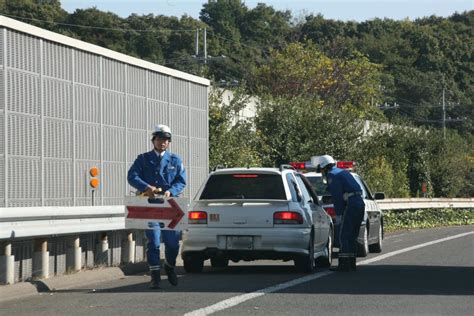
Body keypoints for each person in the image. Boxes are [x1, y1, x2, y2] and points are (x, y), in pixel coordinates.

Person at [128, 124, 186, 289]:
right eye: (160, 139)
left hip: (171, 207)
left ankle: (169, 266)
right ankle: (154, 275)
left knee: (173, 243)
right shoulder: (143, 159)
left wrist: (171, 191)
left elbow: (181, 181)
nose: (163, 142)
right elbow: (132, 176)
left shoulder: (175, 160)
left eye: (166, 140)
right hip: (149, 205)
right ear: (153, 140)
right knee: (153, 241)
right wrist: (146, 187)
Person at [315, 154, 365, 272]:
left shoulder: (332, 175)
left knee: (344, 235)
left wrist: (339, 214)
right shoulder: (343, 172)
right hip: (359, 203)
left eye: (322, 170)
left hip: (351, 205)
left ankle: (344, 264)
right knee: (352, 235)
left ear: (325, 167)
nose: (322, 173)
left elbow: (337, 197)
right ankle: (352, 264)